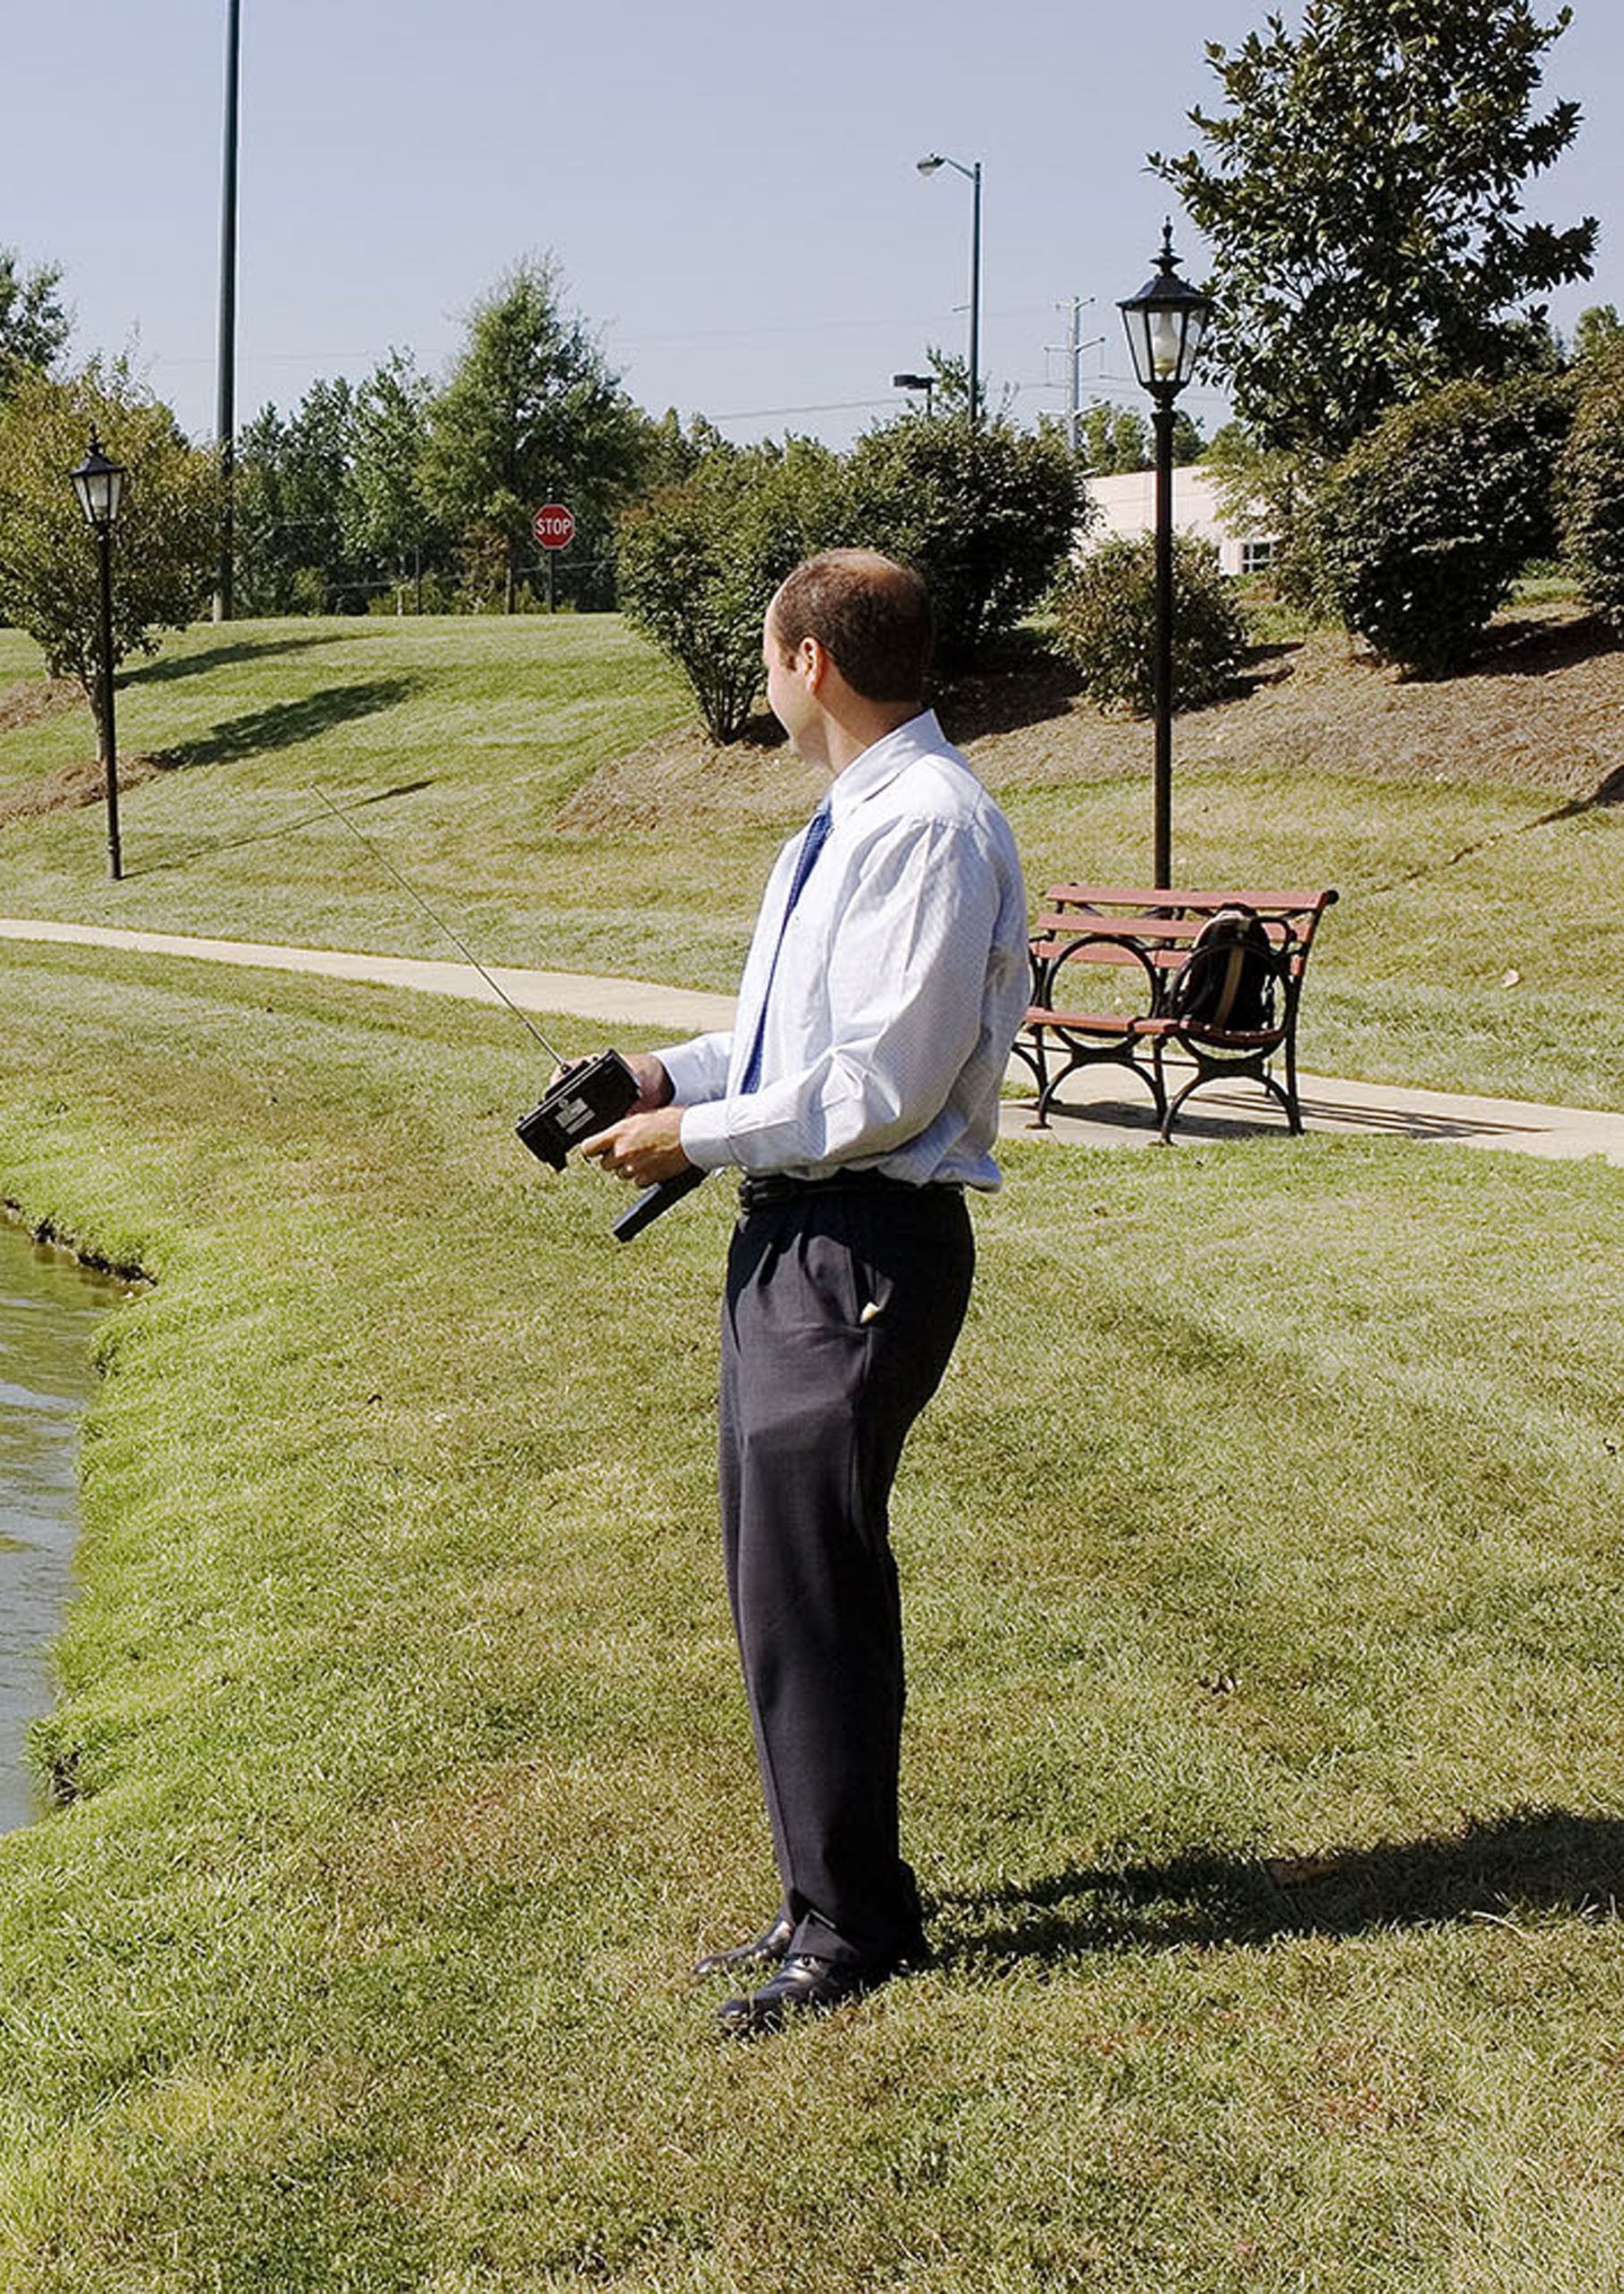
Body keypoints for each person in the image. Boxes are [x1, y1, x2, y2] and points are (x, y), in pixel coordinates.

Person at [575, 547, 1026, 2038]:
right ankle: (823, 1896)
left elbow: (883, 1090)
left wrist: (691, 1135)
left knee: (814, 1581)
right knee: (782, 1575)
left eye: (767, 653)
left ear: (811, 661)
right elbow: (789, 1044)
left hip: (867, 1247)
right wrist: (659, 1077)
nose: (763, 677)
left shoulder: (933, 828)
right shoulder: (843, 825)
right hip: (797, 1239)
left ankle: (852, 1933)